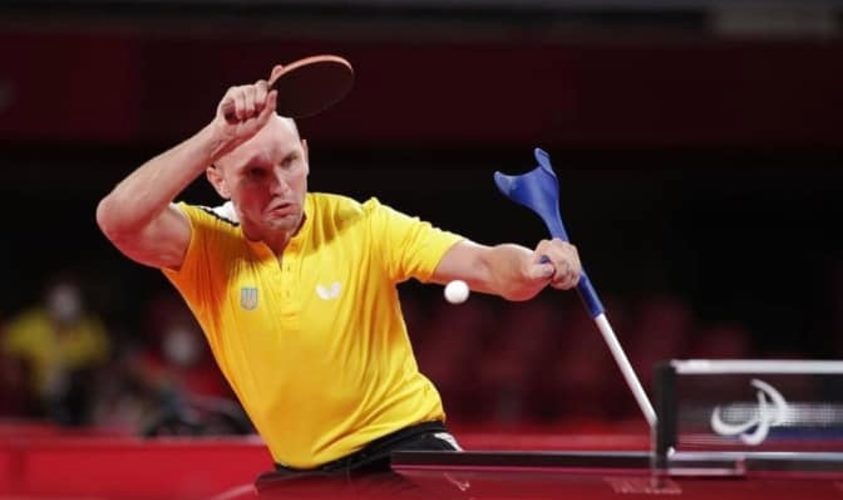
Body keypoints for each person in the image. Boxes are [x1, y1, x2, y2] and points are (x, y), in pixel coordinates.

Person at [95, 65, 582, 485]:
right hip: (301, 477)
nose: (280, 186)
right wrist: (217, 137)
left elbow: (486, 266)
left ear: (306, 155)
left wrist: (533, 265)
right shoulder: (205, 244)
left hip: (403, 455)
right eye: (255, 173)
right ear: (217, 178)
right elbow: (117, 220)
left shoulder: (362, 225)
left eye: (289, 162)